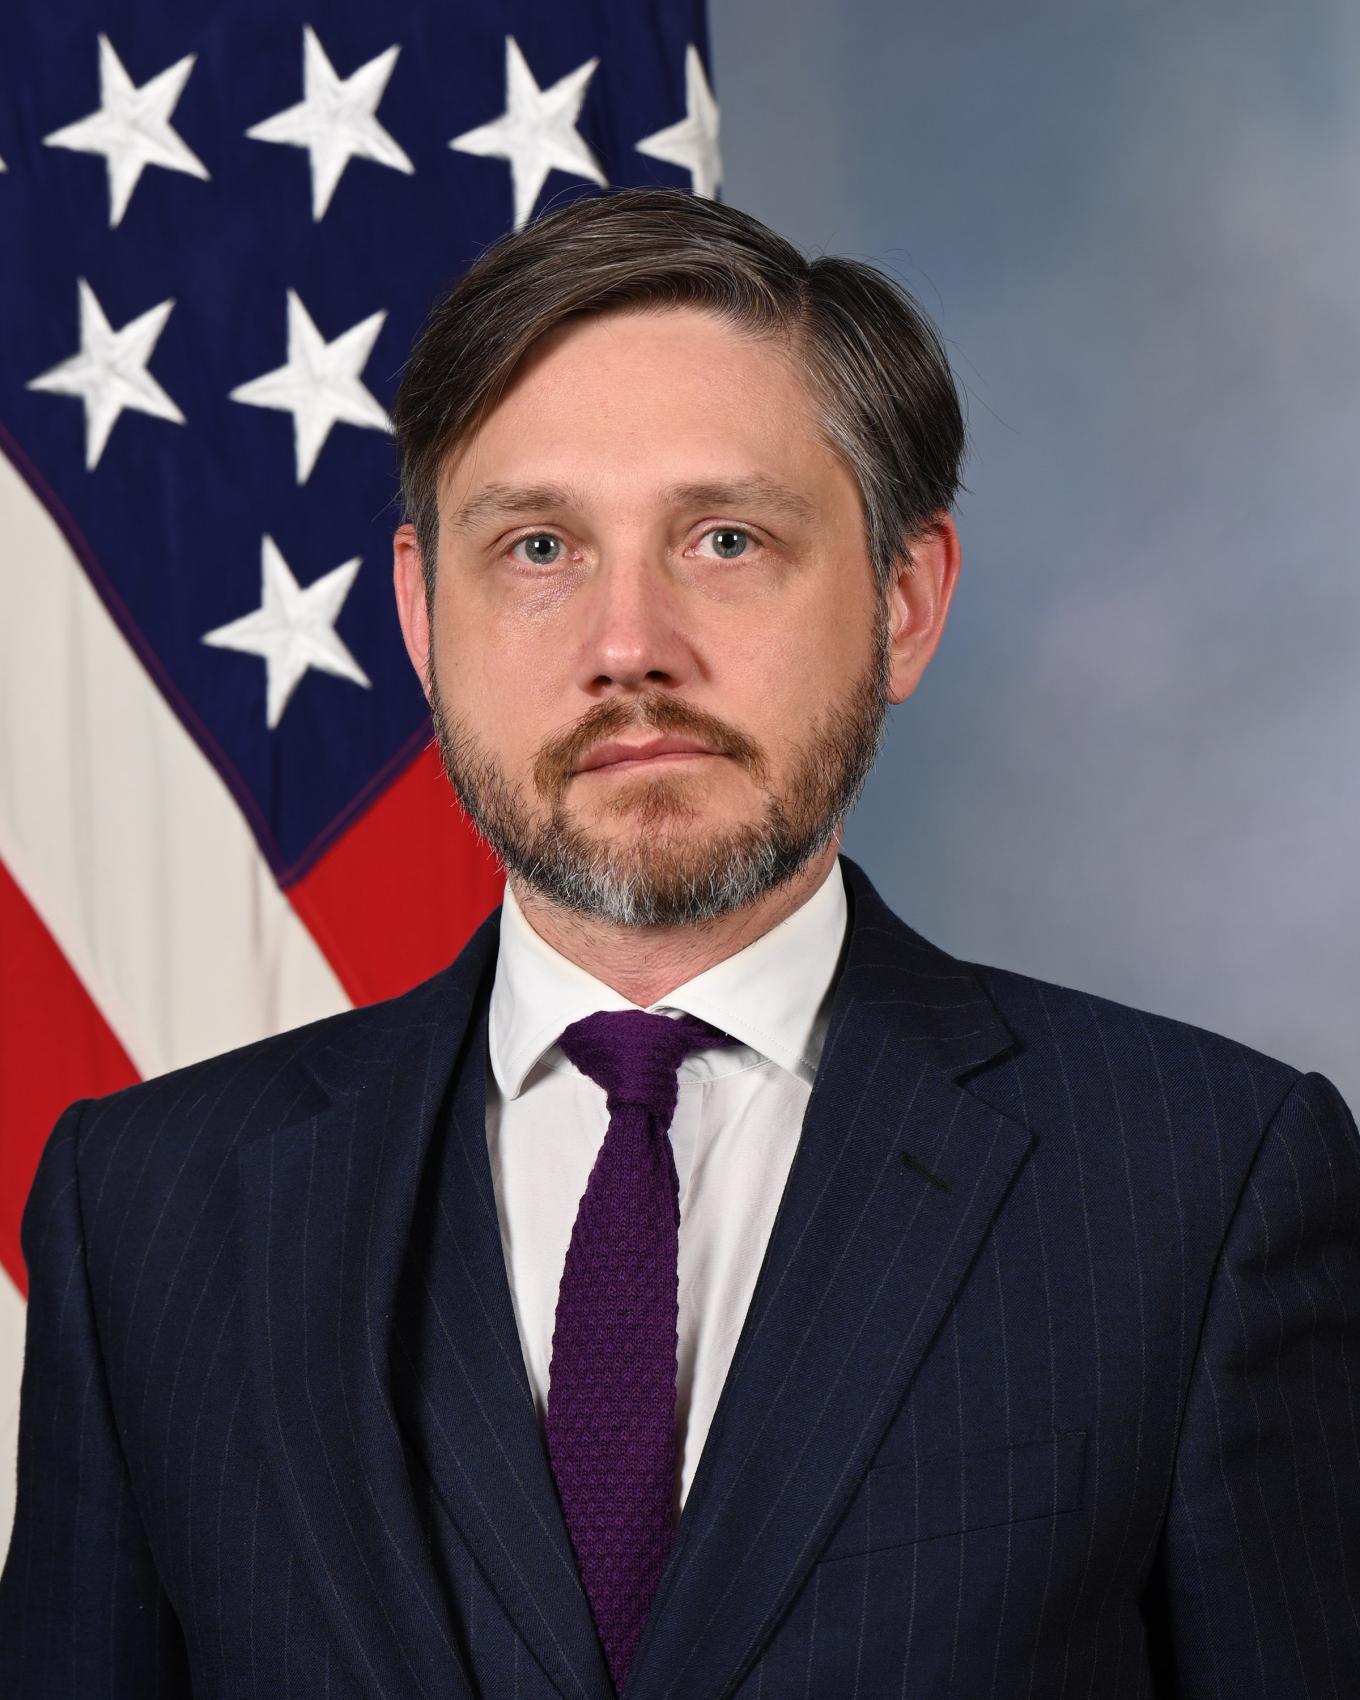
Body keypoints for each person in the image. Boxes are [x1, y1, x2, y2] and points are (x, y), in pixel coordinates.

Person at [2, 187, 1357, 1700]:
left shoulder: (1204, 1189)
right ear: (420, 619)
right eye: (536, 548)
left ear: (903, 604)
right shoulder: (149, 1214)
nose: (628, 641)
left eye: (726, 538)